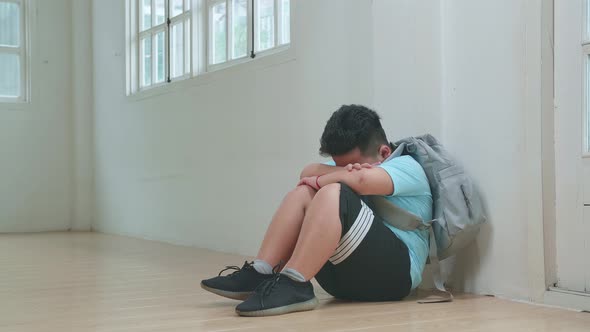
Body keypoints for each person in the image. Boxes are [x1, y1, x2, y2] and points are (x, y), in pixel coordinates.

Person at [201, 105, 432, 317]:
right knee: (304, 193)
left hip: (393, 278)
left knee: (332, 192)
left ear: (383, 153)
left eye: (349, 165)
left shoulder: (406, 167)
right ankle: (263, 272)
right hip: (340, 281)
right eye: (338, 164)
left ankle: (295, 283)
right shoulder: (351, 167)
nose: (345, 170)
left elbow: (360, 179)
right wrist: (340, 173)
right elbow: (307, 172)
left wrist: (335, 177)